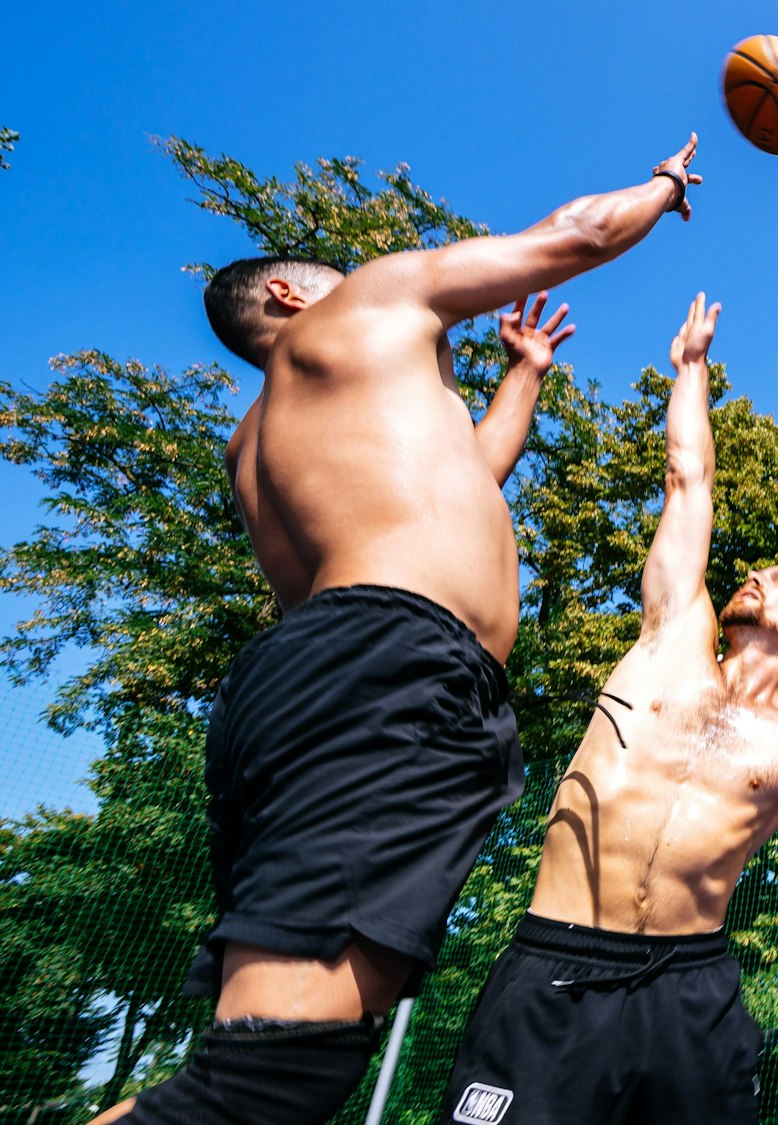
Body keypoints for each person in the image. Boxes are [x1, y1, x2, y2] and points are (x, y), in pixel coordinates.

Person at [93, 137, 707, 1125]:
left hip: (325, 679)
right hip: (385, 670)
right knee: (263, 1077)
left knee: (283, 1066)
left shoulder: (257, 442)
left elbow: (461, 483)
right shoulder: (367, 301)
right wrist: (662, 187)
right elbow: (578, 234)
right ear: (293, 298)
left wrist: (525, 374)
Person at [439, 294, 778, 1125]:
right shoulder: (674, 630)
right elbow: (688, 477)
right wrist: (692, 369)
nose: (754, 575)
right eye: (754, 569)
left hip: (688, 989)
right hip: (554, 965)